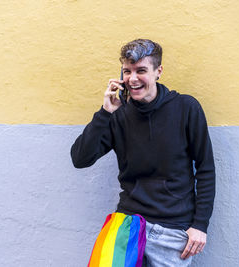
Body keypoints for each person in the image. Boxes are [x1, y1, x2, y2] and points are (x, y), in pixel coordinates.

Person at [70, 39, 216, 266]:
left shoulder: (186, 108)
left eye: (141, 70)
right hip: (128, 225)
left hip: (173, 232)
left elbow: (205, 169)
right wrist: (105, 112)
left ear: (158, 71)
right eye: (127, 71)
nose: (133, 78)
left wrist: (200, 225)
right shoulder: (118, 115)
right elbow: (80, 159)